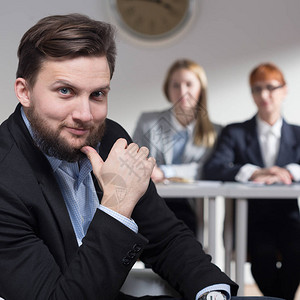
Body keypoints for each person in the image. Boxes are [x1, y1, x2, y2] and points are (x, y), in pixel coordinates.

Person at [0, 14, 238, 300]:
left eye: (98, 94)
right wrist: (117, 205)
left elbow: (166, 238)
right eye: (65, 91)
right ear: (24, 92)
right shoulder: (5, 177)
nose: (85, 116)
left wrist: (212, 294)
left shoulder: (110, 137)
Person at [204, 63, 300, 300]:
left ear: (284, 90)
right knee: (262, 256)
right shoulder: (235, 132)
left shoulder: (298, 134)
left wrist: (288, 171)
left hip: (290, 220)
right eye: (257, 89)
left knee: (296, 252)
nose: (264, 95)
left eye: (270, 87)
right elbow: (212, 168)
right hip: (252, 221)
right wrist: (254, 172)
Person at [133, 59, 222, 235]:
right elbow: (133, 161)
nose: (182, 91)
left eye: (189, 84)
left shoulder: (215, 132)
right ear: (167, 89)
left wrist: (165, 172)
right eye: (175, 85)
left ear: (200, 89)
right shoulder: (148, 122)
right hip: (150, 203)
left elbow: (205, 170)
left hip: (189, 207)